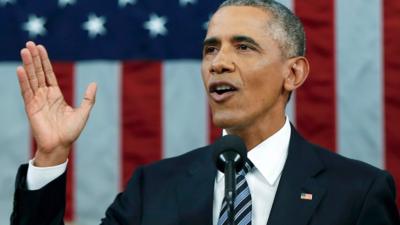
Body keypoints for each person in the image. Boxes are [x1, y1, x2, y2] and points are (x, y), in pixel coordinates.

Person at [11, 0, 400, 224]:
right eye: (211, 48)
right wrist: (51, 155)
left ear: (293, 72)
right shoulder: (154, 189)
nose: (218, 63)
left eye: (243, 47)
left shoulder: (357, 193)